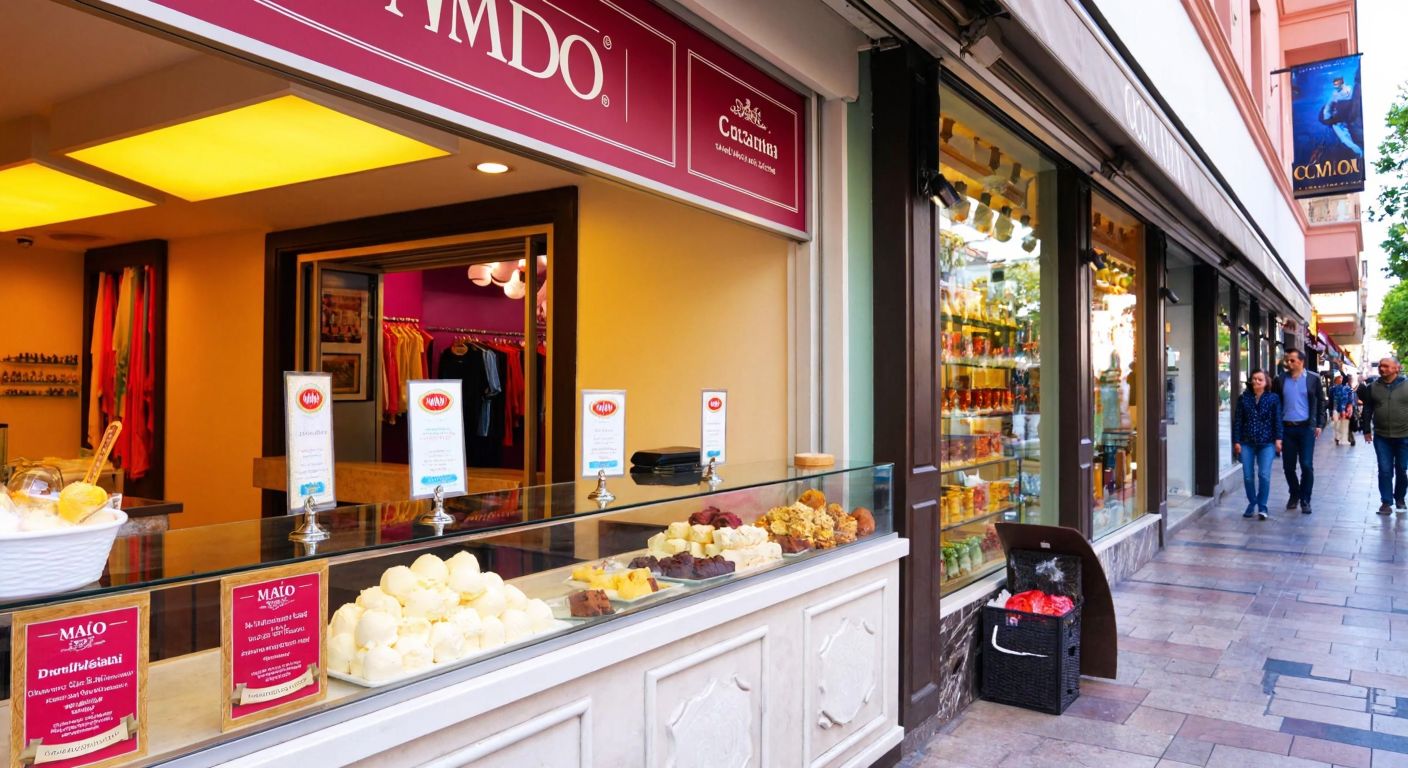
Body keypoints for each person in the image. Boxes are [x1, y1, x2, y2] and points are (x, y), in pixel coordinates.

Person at [1271, 349, 1326, 514]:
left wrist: (1319, 424)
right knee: (1288, 467)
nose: (1288, 363)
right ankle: (1294, 494)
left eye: (1292, 360)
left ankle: (1305, 499)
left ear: (1301, 362)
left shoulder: (1313, 379)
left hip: (1306, 428)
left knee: (1307, 465)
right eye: (1287, 360)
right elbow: (1276, 405)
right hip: (1287, 429)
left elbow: (1321, 402)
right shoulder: (1280, 380)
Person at [1232, 369, 1283, 520]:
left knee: (1264, 475)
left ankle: (1262, 506)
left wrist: (1279, 439)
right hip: (1247, 442)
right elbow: (1238, 421)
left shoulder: (1273, 398)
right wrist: (1236, 441)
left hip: (1267, 443)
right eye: (1254, 379)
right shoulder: (1244, 399)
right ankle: (1252, 502)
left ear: (1266, 382)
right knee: (1248, 476)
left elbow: (1277, 420)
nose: (1256, 381)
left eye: (1260, 379)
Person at [1363, 358, 1408, 515]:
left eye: (1386, 366)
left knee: (1402, 469)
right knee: (1385, 469)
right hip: (1382, 436)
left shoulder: (1406, 385)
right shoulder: (1372, 387)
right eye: (1381, 366)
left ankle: (1400, 497)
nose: (1382, 369)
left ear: (1397, 368)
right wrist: (1366, 430)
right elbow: (1367, 409)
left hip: (1404, 436)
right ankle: (1386, 502)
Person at [1330, 374, 1353, 445]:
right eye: (1339, 378)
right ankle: (1337, 437)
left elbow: (1350, 400)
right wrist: (1331, 411)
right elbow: (1331, 400)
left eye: (1341, 378)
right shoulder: (1332, 389)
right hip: (1335, 409)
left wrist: (1349, 408)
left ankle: (1349, 438)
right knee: (1336, 424)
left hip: (1344, 409)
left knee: (1345, 424)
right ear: (1335, 379)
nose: (1340, 379)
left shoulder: (1347, 388)